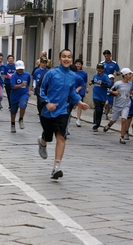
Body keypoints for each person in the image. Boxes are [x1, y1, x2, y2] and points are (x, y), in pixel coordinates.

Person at [37, 49, 90, 179]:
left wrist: (79, 102)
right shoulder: (51, 73)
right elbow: (41, 89)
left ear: (71, 60)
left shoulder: (73, 76)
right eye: (64, 57)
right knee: (48, 136)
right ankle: (42, 142)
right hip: (47, 111)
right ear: (59, 59)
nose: (67, 59)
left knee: (61, 136)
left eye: (69, 57)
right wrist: (47, 103)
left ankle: (56, 167)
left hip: (63, 111)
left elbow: (71, 91)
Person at [103, 68, 133, 144]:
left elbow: (130, 92)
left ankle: (122, 137)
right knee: (114, 120)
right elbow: (110, 90)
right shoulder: (118, 83)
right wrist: (115, 92)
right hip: (117, 105)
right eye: (129, 74)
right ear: (125, 75)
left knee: (124, 120)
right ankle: (109, 125)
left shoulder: (130, 84)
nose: (130, 76)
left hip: (126, 105)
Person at [89, 63, 112, 132]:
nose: (99, 70)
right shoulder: (95, 75)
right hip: (96, 95)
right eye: (98, 68)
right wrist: (91, 82)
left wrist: (102, 84)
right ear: (96, 69)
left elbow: (109, 85)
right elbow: (94, 80)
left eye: (101, 68)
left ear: (103, 70)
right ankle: (95, 124)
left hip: (103, 96)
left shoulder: (105, 76)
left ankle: (98, 123)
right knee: (97, 108)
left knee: (100, 110)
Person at [9, 60, 31, 133]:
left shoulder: (27, 75)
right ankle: (12, 124)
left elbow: (28, 84)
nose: (20, 70)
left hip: (24, 94)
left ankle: (21, 119)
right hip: (15, 95)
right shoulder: (13, 76)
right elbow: (13, 86)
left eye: (21, 69)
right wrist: (21, 85)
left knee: (23, 105)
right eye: (19, 69)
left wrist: (29, 91)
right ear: (16, 69)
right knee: (13, 111)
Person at [74, 59, 88, 127]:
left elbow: (85, 82)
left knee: (80, 104)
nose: (78, 65)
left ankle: (78, 119)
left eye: (79, 64)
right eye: (76, 64)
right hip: (73, 89)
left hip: (81, 90)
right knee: (73, 105)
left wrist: (86, 88)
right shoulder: (73, 72)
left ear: (81, 65)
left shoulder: (84, 73)